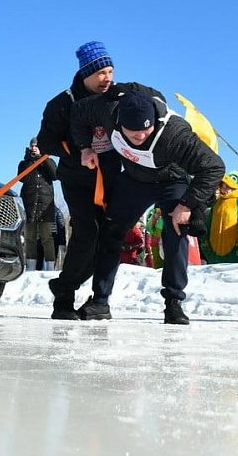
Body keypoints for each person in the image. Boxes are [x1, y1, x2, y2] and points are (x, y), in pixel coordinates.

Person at [71, 91, 225, 324]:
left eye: (146, 130)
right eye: (134, 132)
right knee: (110, 231)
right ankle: (100, 301)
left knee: (176, 230)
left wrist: (187, 204)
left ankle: (173, 303)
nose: (141, 136)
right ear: (119, 122)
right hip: (134, 180)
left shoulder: (175, 135)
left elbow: (214, 167)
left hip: (171, 180)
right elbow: (78, 113)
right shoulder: (107, 111)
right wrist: (85, 147)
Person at [37, 41, 156, 319]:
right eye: (101, 73)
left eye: (111, 71)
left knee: (110, 239)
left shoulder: (117, 96)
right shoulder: (62, 103)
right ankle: (64, 297)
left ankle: (92, 297)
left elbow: (152, 99)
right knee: (87, 234)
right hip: (78, 181)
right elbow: (45, 142)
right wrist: (78, 150)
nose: (107, 78)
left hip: (112, 177)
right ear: (85, 74)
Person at [18, 138, 58, 271]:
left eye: (36, 145)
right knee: (30, 237)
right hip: (29, 205)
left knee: (47, 237)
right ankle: (30, 266)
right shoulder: (24, 163)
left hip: (46, 206)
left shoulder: (48, 161)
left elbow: (55, 175)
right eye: (32, 146)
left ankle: (50, 267)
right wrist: (29, 160)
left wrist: (43, 158)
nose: (34, 148)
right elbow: (22, 178)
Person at [202, 171, 238, 263]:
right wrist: (205, 239)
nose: (224, 189)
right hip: (214, 250)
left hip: (233, 252)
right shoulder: (216, 203)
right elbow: (209, 222)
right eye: (223, 186)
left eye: (228, 186)